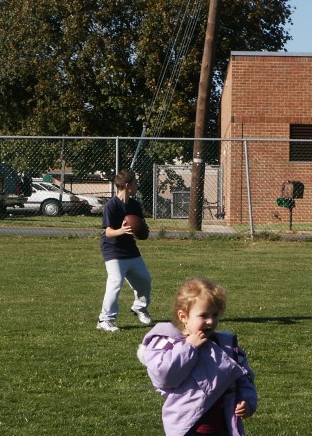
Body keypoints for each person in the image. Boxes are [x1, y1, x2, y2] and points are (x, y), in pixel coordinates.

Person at [138, 278, 257, 436]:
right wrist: (189, 348)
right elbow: (163, 377)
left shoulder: (226, 347)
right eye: (203, 315)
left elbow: (244, 377)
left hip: (223, 426)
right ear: (183, 316)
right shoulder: (167, 344)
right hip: (187, 428)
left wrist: (247, 401)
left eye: (215, 314)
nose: (211, 321)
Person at [96, 169, 152, 332]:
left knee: (145, 279)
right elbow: (108, 232)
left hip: (130, 249)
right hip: (112, 250)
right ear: (128, 185)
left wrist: (143, 230)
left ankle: (139, 308)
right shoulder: (111, 205)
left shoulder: (134, 205)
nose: (137, 185)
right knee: (115, 282)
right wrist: (121, 230)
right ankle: (105, 319)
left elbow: (140, 227)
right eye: (135, 182)